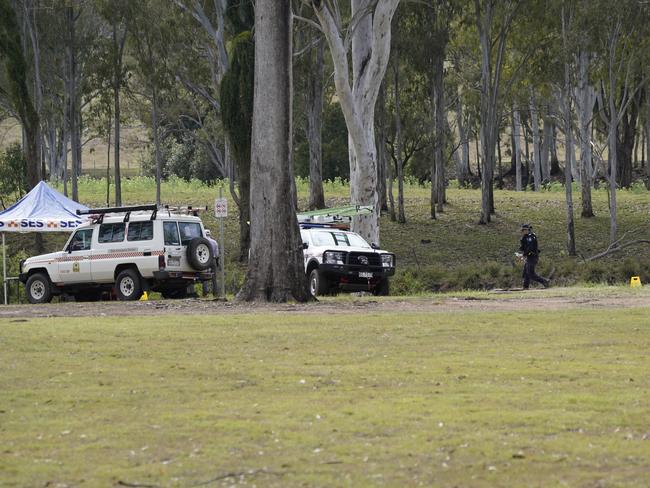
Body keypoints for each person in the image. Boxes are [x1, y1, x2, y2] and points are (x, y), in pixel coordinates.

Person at [518, 223, 550, 289]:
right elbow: (524, 247)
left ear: (527, 230)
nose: (523, 231)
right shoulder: (526, 237)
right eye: (522, 230)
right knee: (526, 272)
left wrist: (523, 255)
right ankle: (525, 287)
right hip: (529, 257)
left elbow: (530, 248)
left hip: (532, 257)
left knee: (530, 273)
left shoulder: (530, 237)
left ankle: (545, 281)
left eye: (524, 230)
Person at [202, 229, 220, 297]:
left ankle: (205, 293)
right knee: (214, 278)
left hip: (205, 260)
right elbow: (217, 254)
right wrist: (217, 262)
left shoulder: (203, 242)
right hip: (213, 260)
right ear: (210, 234)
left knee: (205, 276)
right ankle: (215, 293)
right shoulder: (214, 242)